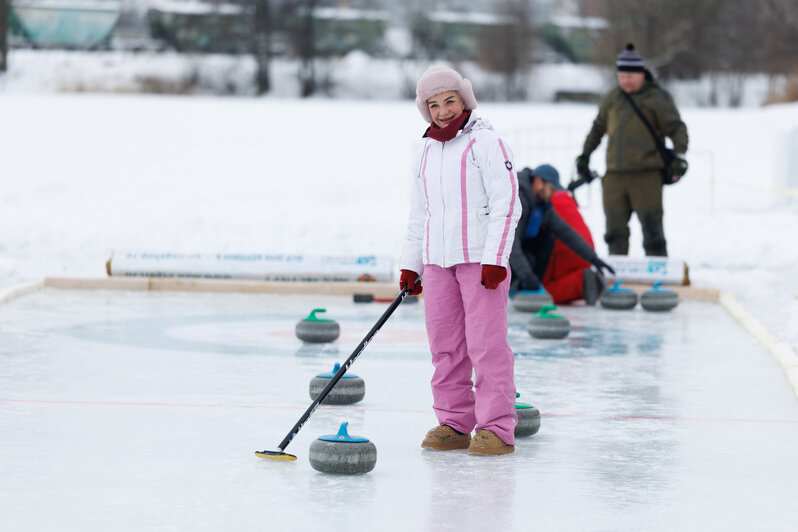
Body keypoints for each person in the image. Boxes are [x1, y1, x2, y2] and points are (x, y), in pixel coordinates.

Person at [399, 66, 521, 456]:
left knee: (486, 345)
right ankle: (453, 422)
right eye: (433, 105)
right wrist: (411, 265)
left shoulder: (486, 143)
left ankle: (496, 427)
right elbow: (420, 214)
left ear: (464, 100)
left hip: (481, 262)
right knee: (445, 347)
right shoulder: (426, 151)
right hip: (437, 262)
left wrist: (496, 258)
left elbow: (507, 204)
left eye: (449, 101)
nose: (442, 111)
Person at [576, 43, 689, 257]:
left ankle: (658, 279)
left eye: (630, 76)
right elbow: (598, 128)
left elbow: (677, 128)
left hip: (646, 176)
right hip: (614, 177)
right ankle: (618, 277)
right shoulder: (612, 98)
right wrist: (585, 155)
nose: (626, 80)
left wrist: (679, 156)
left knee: (652, 232)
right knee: (614, 233)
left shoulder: (657, 98)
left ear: (641, 74)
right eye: (622, 76)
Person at [509, 164, 614, 305]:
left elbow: (566, 232)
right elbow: (510, 244)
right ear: (539, 182)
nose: (553, 194)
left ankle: (530, 286)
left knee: (549, 237)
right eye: (551, 189)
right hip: (498, 257)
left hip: (517, 252)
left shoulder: (543, 206)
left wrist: (594, 258)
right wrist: (527, 275)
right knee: (528, 258)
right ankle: (519, 286)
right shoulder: (518, 200)